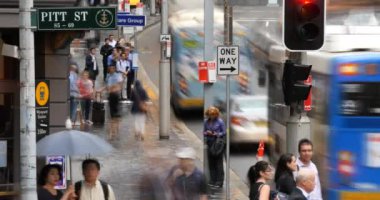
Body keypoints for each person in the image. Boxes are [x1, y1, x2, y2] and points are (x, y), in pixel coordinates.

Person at [203, 106, 225, 188]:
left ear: (216, 114)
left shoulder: (220, 122)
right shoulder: (206, 122)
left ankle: (219, 182)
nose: (211, 116)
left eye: (213, 114)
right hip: (209, 143)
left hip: (217, 144)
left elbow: (224, 132)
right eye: (210, 114)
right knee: (211, 163)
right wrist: (207, 133)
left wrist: (216, 134)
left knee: (218, 163)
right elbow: (204, 132)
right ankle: (213, 180)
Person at [100, 62, 123, 139]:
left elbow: (120, 85)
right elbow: (107, 86)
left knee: (115, 114)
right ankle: (113, 130)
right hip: (110, 96)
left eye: (112, 68)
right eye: (110, 68)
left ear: (115, 68)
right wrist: (102, 89)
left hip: (115, 96)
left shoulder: (118, 76)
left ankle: (114, 130)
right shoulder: (108, 76)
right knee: (111, 114)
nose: (111, 69)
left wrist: (113, 87)